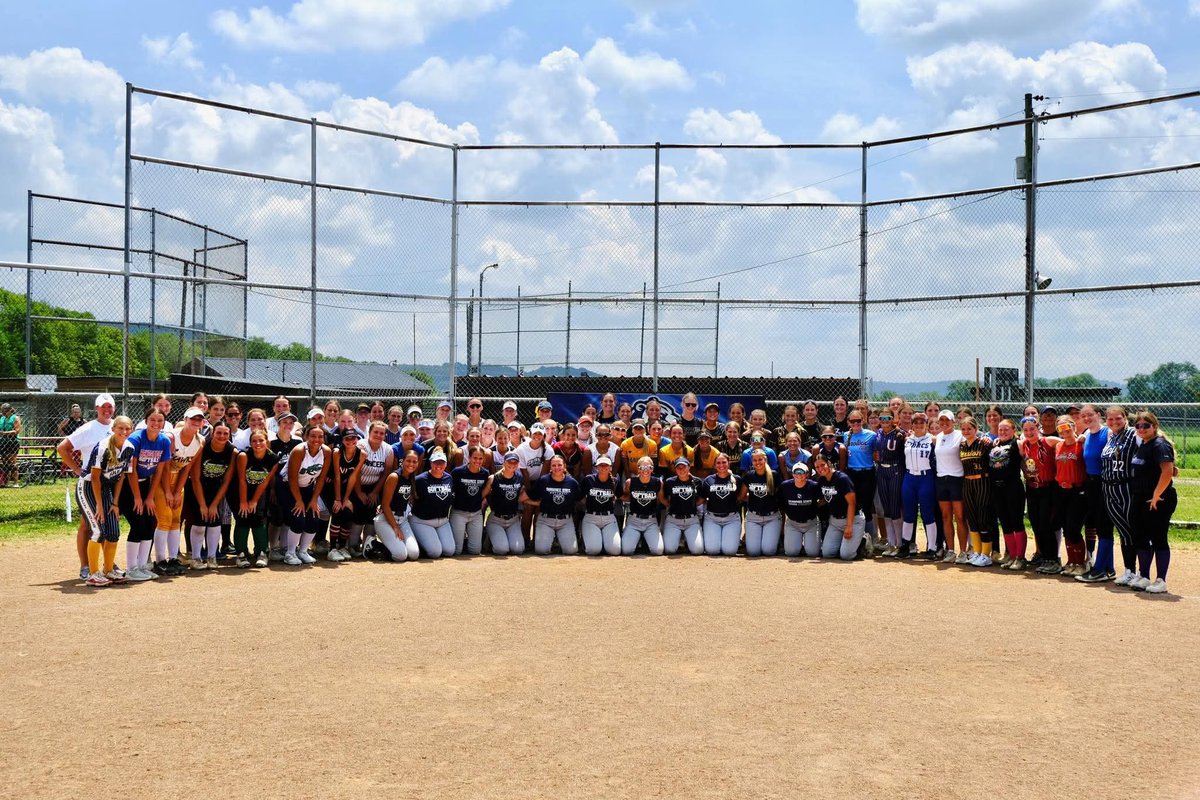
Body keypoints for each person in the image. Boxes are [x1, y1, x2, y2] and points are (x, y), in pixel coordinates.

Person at [57, 393, 116, 581]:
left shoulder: (117, 427)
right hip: (90, 482)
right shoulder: (88, 428)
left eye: (110, 407)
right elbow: (62, 447)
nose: (106, 410)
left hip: (109, 482)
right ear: (96, 409)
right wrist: (76, 468)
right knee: (87, 524)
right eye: (103, 407)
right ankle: (85, 565)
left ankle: (108, 563)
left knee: (108, 523)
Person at [81, 416, 135, 586]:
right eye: (121, 428)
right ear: (113, 428)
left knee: (113, 532)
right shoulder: (103, 447)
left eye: (127, 429)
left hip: (106, 490)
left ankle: (109, 570)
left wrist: (115, 503)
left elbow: (121, 477)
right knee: (98, 530)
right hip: (89, 487)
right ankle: (93, 574)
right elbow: (95, 478)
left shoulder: (129, 448)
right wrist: (99, 505)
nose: (124, 432)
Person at [121, 408, 172, 581]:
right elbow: (131, 470)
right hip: (127, 487)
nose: (156, 424)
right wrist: (137, 497)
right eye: (152, 420)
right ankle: (131, 568)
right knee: (138, 523)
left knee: (151, 522)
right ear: (145, 421)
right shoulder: (136, 439)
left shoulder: (164, 441)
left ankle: (142, 566)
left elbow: (159, 471)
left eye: (160, 420)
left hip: (145, 485)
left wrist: (149, 497)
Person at [1128, 411, 1175, 593]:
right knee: (1140, 536)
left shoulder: (1159, 444)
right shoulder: (1144, 444)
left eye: (1146, 425)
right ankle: (1145, 576)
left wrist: (1156, 494)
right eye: (1138, 426)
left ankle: (1161, 580)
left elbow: (1167, 471)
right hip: (1140, 497)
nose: (1141, 428)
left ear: (1154, 427)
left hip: (1158, 498)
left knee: (1158, 538)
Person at [159, 406, 206, 572]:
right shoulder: (171, 437)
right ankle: (159, 561)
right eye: (192, 418)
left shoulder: (200, 441)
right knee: (164, 518)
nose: (196, 422)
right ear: (185, 420)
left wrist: (177, 491)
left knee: (175, 520)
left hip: (178, 479)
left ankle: (173, 559)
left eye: (199, 419)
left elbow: (187, 467)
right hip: (159, 480)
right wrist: (167, 491)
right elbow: (163, 467)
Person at [186, 422, 236, 570]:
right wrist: (202, 504)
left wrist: (214, 504)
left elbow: (226, 480)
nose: (222, 436)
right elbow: (195, 478)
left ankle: (211, 556)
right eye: (218, 433)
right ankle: (196, 558)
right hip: (197, 488)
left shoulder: (231, 451)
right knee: (200, 524)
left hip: (216, 490)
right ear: (213, 433)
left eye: (225, 433)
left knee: (214, 523)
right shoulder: (203, 448)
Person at [1100, 405, 1141, 586]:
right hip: (1109, 488)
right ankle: (1129, 570)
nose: (1114, 422)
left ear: (1125, 418)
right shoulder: (1111, 436)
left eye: (1118, 418)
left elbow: (1154, 441)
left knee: (1134, 530)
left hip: (1125, 487)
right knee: (1124, 532)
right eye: (1110, 419)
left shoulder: (1133, 434)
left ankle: (1141, 572)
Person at [1076, 405, 1117, 583]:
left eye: (1090, 415)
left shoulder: (1107, 432)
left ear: (1098, 415)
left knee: (1104, 526)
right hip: (1091, 483)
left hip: (1105, 483)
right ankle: (1108, 567)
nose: (1087, 418)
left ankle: (1099, 568)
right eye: (1083, 415)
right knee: (1100, 525)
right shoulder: (1086, 435)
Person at [283, 425, 331, 566]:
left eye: (320, 436)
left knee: (314, 517)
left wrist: (314, 499)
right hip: (287, 487)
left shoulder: (326, 452)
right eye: (313, 436)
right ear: (306, 437)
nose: (317, 439)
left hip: (307, 487)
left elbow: (321, 478)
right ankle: (290, 553)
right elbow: (292, 478)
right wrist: (299, 501)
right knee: (298, 519)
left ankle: (303, 551)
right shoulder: (299, 451)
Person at [234, 428, 280, 568]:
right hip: (242, 490)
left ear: (267, 441)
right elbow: (242, 480)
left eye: (261, 440)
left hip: (259, 492)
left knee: (259, 519)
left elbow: (265, 481)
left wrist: (254, 500)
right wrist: (243, 501)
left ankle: (261, 552)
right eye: (254, 441)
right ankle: (241, 554)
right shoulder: (244, 456)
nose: (257, 443)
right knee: (243, 518)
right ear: (250, 443)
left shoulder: (273, 458)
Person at [1020, 416, 1061, 573]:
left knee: (1046, 523)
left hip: (1048, 487)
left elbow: (1069, 442)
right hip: (1032, 488)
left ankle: (1053, 559)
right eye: (1026, 430)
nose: (1029, 432)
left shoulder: (1047, 441)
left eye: (1032, 429)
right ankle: (1045, 557)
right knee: (1036, 524)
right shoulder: (1024, 444)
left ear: (1038, 428)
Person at [987, 419, 1027, 569]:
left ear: (1013, 430)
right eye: (1000, 429)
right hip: (997, 488)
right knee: (1005, 522)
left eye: (1006, 429)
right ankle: (1011, 555)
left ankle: (1020, 557)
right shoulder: (995, 444)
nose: (1003, 432)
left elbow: (1026, 460)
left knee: (1016, 521)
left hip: (1013, 487)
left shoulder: (1018, 443)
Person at [352, 421, 395, 554]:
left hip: (375, 486)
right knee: (358, 514)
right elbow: (356, 471)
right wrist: (359, 492)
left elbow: (386, 473)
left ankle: (367, 545)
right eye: (375, 432)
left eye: (382, 433)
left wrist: (375, 492)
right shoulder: (361, 445)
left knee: (371, 515)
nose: (378, 435)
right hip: (357, 485)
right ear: (369, 433)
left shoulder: (388, 449)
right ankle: (352, 545)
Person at [899, 412, 938, 559]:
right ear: (912, 424)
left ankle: (932, 548)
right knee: (908, 514)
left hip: (925, 477)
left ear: (926, 424)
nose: (919, 425)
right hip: (909, 478)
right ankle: (906, 545)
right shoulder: (907, 439)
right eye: (916, 422)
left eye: (922, 422)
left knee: (927, 513)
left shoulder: (933, 439)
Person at [1054, 418, 1089, 576]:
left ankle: (1080, 562)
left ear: (1074, 428)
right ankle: (1071, 561)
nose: (1065, 433)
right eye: (1061, 430)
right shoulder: (1059, 445)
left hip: (1077, 490)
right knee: (1065, 527)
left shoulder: (1081, 443)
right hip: (1061, 491)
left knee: (1074, 528)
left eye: (1068, 429)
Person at [373, 450, 422, 563]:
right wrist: (395, 527)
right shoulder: (394, 476)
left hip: (402, 519)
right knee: (400, 556)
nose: (411, 464)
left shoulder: (411, 477)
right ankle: (374, 545)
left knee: (413, 554)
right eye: (408, 461)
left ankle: (396, 544)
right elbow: (385, 505)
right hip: (386, 519)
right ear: (402, 461)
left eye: (415, 461)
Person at [526, 454, 581, 556]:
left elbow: (580, 499)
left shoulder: (572, 482)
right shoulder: (543, 480)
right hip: (546, 520)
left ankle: (561, 543)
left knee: (571, 551)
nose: (557, 468)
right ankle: (550, 542)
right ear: (550, 467)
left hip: (565, 521)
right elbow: (523, 498)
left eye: (559, 465)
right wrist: (538, 503)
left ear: (564, 466)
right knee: (541, 551)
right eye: (554, 465)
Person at [958, 417, 994, 567]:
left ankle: (987, 554)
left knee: (983, 517)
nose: (966, 431)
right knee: (971, 518)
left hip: (982, 482)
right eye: (964, 429)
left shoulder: (984, 443)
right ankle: (977, 552)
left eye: (970, 429)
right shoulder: (962, 445)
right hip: (967, 482)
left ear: (976, 428)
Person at [933, 410, 967, 563]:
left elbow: (975, 437)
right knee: (946, 517)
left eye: (947, 420)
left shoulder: (960, 435)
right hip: (941, 479)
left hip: (956, 479)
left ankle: (963, 552)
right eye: (941, 420)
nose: (944, 423)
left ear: (954, 421)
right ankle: (951, 551)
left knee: (960, 517)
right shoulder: (938, 437)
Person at [813, 454, 863, 560]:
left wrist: (849, 526)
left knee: (846, 555)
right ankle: (844, 544)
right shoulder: (821, 480)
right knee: (827, 553)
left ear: (829, 464)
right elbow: (825, 499)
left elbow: (852, 503)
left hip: (852, 519)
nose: (820, 469)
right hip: (835, 522)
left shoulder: (842, 478)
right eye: (817, 467)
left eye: (823, 465)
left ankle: (864, 540)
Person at [267, 411, 301, 561]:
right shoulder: (272, 443)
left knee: (289, 517)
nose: (288, 425)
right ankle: (272, 547)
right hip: (277, 484)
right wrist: (273, 488)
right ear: (278, 424)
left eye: (291, 423)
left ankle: (284, 546)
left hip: (292, 485)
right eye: (285, 422)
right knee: (276, 517)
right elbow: (270, 469)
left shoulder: (298, 443)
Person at [410, 449, 456, 558]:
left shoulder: (448, 478)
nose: (439, 465)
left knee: (449, 551)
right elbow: (411, 498)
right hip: (422, 521)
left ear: (446, 464)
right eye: (435, 462)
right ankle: (418, 542)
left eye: (442, 462)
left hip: (443, 521)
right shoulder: (420, 479)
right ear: (430, 463)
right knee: (435, 553)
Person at [326, 428, 363, 562]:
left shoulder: (362, 454)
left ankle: (342, 547)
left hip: (347, 488)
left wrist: (346, 499)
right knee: (337, 511)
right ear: (342, 440)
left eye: (354, 438)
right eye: (347, 438)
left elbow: (353, 477)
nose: (351, 441)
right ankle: (332, 549)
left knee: (348, 512)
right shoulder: (337, 453)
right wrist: (338, 499)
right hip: (331, 487)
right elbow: (337, 477)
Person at [843, 411, 877, 553]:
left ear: (863, 420)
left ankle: (872, 539)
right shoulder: (846, 435)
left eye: (858, 420)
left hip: (867, 472)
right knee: (853, 505)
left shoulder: (871, 435)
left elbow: (876, 453)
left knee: (866, 506)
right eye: (853, 421)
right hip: (851, 473)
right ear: (849, 422)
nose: (856, 423)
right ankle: (858, 539)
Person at [875, 412, 906, 556]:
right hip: (882, 470)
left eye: (887, 418)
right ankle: (891, 543)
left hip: (895, 470)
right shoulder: (879, 433)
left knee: (894, 507)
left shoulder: (899, 434)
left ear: (893, 420)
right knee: (886, 508)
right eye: (882, 418)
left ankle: (899, 544)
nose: (884, 421)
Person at [450, 446, 491, 555]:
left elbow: (485, 491)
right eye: (475, 458)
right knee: (457, 551)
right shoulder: (458, 472)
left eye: (480, 458)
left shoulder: (485, 473)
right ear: (469, 458)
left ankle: (469, 540)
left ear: (484, 459)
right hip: (459, 512)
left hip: (476, 514)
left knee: (475, 551)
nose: (477, 461)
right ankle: (461, 541)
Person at [660, 457, 705, 555]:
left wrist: (691, 505)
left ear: (689, 467)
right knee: (670, 550)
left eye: (684, 467)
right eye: (678, 467)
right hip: (673, 520)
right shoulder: (669, 482)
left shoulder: (697, 481)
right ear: (675, 469)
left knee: (698, 550)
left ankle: (688, 542)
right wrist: (670, 505)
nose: (681, 470)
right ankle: (681, 540)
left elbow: (702, 498)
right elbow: (663, 497)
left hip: (692, 520)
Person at [740, 450, 780, 556]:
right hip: (754, 517)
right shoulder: (749, 476)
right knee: (753, 552)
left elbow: (779, 496)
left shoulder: (774, 475)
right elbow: (742, 496)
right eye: (754, 460)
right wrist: (754, 498)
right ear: (751, 462)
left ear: (765, 459)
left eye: (760, 459)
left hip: (772, 517)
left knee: (768, 551)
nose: (757, 462)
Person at [485, 452, 526, 555]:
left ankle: (503, 538)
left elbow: (521, 495)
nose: (512, 464)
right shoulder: (493, 478)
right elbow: (483, 495)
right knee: (501, 550)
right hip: (496, 519)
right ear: (504, 462)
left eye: (515, 462)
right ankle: (489, 538)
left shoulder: (519, 478)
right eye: (509, 461)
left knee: (518, 550)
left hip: (513, 520)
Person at [702, 453, 742, 556]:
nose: (721, 465)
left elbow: (741, 497)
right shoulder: (708, 480)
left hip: (731, 519)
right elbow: (703, 499)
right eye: (718, 463)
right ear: (715, 465)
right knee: (712, 551)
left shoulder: (737, 479)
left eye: (724, 462)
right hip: (712, 519)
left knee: (730, 551)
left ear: (729, 463)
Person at [622, 456, 664, 556]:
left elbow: (661, 500)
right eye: (642, 467)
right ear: (638, 469)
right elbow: (627, 497)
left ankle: (644, 539)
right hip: (634, 520)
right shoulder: (630, 482)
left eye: (648, 467)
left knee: (658, 551)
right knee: (626, 551)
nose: (645, 470)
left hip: (651, 521)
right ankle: (636, 539)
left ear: (652, 469)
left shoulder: (658, 482)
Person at [580, 455, 621, 556]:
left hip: (609, 518)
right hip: (591, 518)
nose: (603, 467)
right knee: (594, 551)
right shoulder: (588, 479)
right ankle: (590, 541)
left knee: (615, 551)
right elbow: (580, 497)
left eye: (606, 464)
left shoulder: (615, 481)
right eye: (600, 465)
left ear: (610, 467)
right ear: (596, 467)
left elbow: (620, 496)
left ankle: (600, 541)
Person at [779, 462, 822, 557]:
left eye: (802, 472)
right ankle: (799, 545)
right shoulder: (785, 486)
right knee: (791, 552)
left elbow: (823, 499)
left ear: (807, 474)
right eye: (796, 472)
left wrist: (816, 507)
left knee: (813, 553)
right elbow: (781, 504)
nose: (799, 475)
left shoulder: (814, 486)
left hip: (811, 523)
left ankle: (810, 544)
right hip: (793, 523)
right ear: (792, 474)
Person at [0, 402, 21, 488]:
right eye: (2, 411)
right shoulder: (2, 418)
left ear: (9, 411)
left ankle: (16, 482)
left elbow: (16, 431)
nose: (3, 413)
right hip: (3, 442)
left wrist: (4, 433)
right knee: (5, 463)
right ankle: (6, 481)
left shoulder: (15, 418)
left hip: (12, 442)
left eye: (4, 411)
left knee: (12, 462)